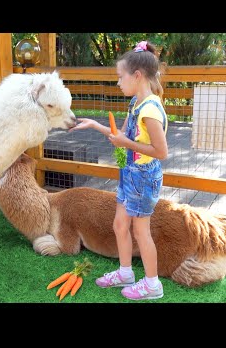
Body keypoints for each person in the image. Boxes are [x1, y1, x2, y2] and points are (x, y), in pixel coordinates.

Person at [70, 41, 168, 300]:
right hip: (129, 173)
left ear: (137, 76)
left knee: (140, 231)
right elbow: (122, 136)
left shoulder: (150, 109)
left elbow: (161, 151)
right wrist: (95, 125)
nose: (118, 82)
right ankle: (125, 273)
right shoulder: (136, 102)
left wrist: (125, 143)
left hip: (143, 178)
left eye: (120, 77)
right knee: (119, 224)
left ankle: (152, 284)